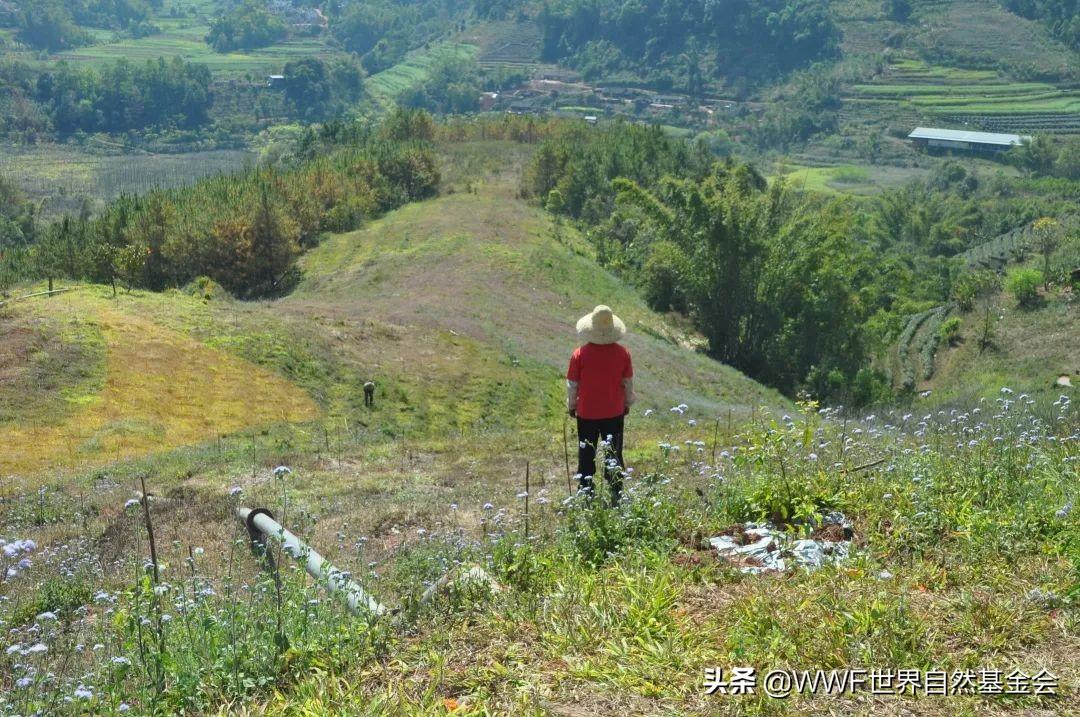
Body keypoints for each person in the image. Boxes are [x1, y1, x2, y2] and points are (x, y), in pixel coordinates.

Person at [566, 305, 635, 504]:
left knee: (587, 452)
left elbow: (573, 385)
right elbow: (627, 382)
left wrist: (572, 405)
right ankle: (616, 489)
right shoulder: (623, 353)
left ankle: (586, 490)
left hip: (587, 412)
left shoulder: (579, 355)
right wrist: (627, 402)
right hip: (614, 411)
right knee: (614, 450)